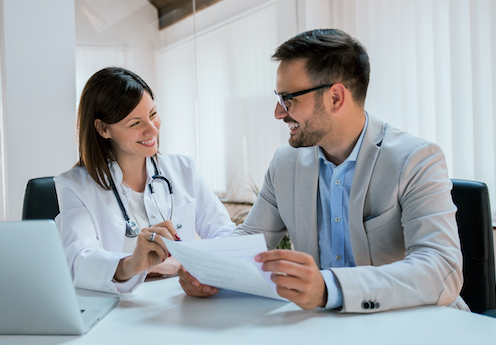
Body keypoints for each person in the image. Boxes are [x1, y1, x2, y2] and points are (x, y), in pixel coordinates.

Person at [178, 29, 469, 313]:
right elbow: (251, 237)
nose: (278, 113)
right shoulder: (285, 163)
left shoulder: (415, 160)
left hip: (417, 324)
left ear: (335, 98)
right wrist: (204, 265)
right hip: (327, 327)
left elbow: (441, 268)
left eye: (288, 98)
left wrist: (331, 288)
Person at [55, 67, 236, 294]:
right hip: (120, 311)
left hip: (184, 302)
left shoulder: (183, 169)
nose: (152, 130)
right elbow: (78, 261)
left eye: (152, 114)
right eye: (135, 123)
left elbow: (226, 234)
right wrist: (131, 265)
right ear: (103, 129)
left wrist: (199, 269)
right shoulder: (75, 186)